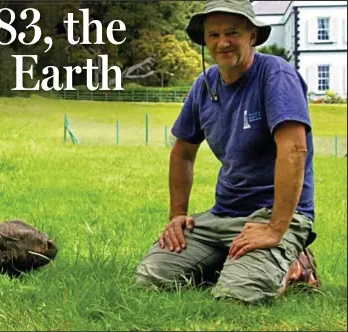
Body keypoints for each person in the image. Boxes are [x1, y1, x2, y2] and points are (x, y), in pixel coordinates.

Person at [135, 0, 320, 304]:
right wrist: (177, 216)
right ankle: (237, 258)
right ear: (205, 41)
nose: (222, 42)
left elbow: (295, 149)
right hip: (222, 214)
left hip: (275, 215)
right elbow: (182, 152)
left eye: (232, 32)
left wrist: (275, 228)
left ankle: (294, 261)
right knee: (152, 277)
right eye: (213, 35)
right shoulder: (204, 85)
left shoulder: (276, 76)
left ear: (252, 36)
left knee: (238, 295)